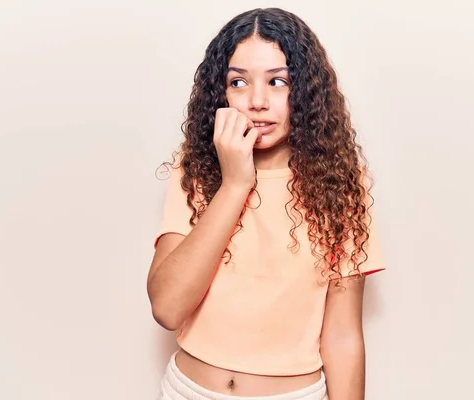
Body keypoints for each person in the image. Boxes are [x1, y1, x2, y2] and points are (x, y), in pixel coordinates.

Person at [147, 7, 387, 400]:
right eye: (238, 82)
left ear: (306, 91)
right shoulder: (196, 169)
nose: (257, 101)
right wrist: (235, 184)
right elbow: (167, 307)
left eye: (278, 81)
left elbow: (343, 336)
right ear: (219, 93)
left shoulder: (339, 184)